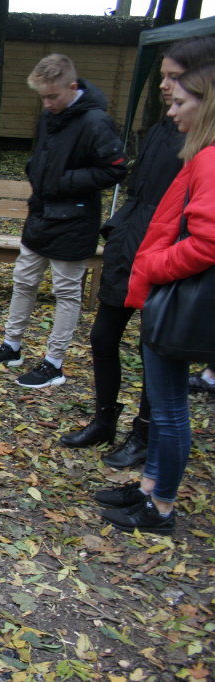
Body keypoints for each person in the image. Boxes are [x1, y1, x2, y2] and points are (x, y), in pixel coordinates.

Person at [60, 37, 215, 464]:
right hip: (132, 246)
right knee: (103, 337)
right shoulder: (167, 128)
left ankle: (145, 434)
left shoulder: (203, 139)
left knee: (157, 349)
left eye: (174, 77)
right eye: (162, 76)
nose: (165, 86)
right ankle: (104, 419)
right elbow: (140, 191)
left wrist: (159, 258)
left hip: (167, 259)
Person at [95, 63, 215, 535]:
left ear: (206, 103)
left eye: (180, 102)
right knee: (166, 407)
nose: (172, 109)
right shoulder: (197, 154)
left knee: (168, 411)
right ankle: (148, 486)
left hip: (176, 298)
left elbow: (206, 242)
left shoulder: (208, 159)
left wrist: (152, 266)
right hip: (167, 294)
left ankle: (160, 505)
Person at [0, 54, 126, 388]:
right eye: (42, 97)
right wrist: (37, 171)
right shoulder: (49, 116)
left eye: (53, 96)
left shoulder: (96, 122)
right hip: (41, 215)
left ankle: (54, 363)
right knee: (24, 280)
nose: (47, 103)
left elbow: (115, 168)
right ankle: (11, 346)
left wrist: (65, 181)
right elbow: (43, 155)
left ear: (73, 87)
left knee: (66, 292)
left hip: (74, 221)